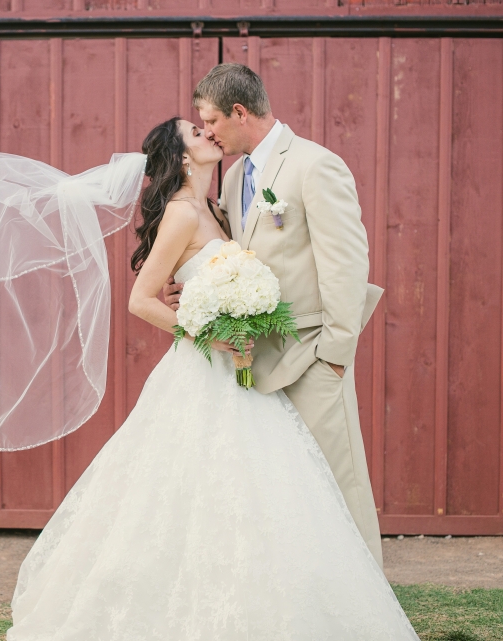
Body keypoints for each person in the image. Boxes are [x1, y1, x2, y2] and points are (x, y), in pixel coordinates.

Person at [4, 117, 419, 639]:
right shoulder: (181, 214)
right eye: (196, 134)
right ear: (182, 157)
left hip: (243, 372)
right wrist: (206, 333)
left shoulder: (216, 205)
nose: (209, 135)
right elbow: (139, 300)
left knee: (255, 489)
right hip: (203, 372)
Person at [162, 62, 385, 567]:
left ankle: (363, 607)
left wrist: (333, 356)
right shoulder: (238, 173)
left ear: (240, 112)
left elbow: (346, 266)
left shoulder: (314, 165)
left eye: (212, 121)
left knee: (336, 482)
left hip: (310, 357)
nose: (210, 133)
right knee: (288, 495)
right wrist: (196, 293)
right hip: (254, 361)